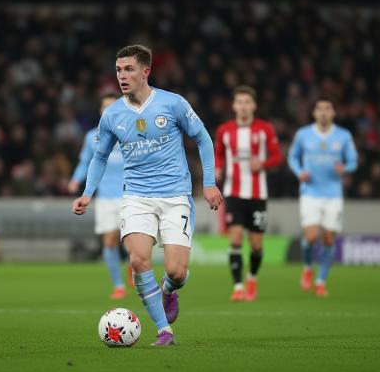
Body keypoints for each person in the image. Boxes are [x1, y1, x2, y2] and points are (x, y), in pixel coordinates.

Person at [72, 44, 223, 346]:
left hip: (175, 196)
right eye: (118, 70)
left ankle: (169, 289)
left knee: (176, 272)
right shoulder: (112, 115)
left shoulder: (173, 103)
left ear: (145, 71)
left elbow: (203, 138)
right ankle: (164, 330)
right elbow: (99, 156)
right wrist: (87, 193)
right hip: (136, 197)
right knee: (139, 260)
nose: (122, 76)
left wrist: (209, 183)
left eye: (128, 69)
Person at [214, 86, 282, 302]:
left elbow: (277, 157)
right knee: (235, 239)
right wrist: (217, 168)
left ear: (254, 106)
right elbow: (218, 154)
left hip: (257, 194)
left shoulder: (265, 129)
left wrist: (262, 164)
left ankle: (252, 278)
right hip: (233, 193)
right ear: (234, 106)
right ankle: (238, 286)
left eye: (247, 102)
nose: (243, 106)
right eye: (239, 102)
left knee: (256, 245)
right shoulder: (224, 130)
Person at [287, 97, 358, 297]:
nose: (324, 112)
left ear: (333, 113)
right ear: (314, 113)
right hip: (310, 192)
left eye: (328, 108)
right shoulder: (303, 134)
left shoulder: (343, 136)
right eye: (320, 109)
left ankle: (321, 281)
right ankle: (308, 267)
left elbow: (353, 161)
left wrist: (345, 168)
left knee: (328, 239)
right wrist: (299, 172)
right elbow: (292, 157)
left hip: (333, 194)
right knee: (310, 237)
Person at [68, 92, 132, 300]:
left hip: (131, 194)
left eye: (113, 106)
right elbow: (85, 162)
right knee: (110, 241)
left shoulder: (131, 131)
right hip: (105, 197)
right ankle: (118, 285)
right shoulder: (91, 137)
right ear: (100, 110)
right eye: (105, 107)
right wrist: (76, 179)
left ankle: (134, 266)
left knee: (133, 241)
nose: (109, 110)